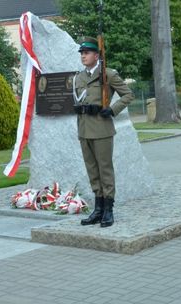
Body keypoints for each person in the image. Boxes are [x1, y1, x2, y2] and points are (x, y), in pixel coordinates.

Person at [73, 37, 134, 227]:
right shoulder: (78, 77)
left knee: (105, 170)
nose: (83, 56)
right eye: (82, 53)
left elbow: (128, 94)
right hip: (84, 130)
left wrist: (113, 109)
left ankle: (108, 209)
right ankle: (98, 209)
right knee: (92, 171)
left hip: (102, 129)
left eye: (87, 53)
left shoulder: (108, 75)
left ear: (96, 55)